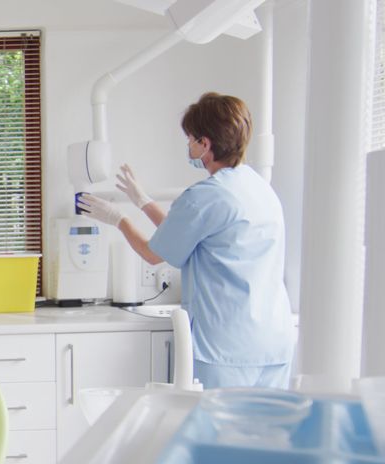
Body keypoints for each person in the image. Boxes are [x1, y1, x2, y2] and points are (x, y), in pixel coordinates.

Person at [78, 92, 296, 389]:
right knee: (265, 433)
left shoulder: (206, 195)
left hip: (226, 348)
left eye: (191, 138)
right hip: (273, 341)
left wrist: (119, 219)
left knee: (215, 432)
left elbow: (154, 253)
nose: (189, 145)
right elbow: (184, 231)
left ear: (205, 144)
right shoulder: (260, 188)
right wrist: (143, 201)